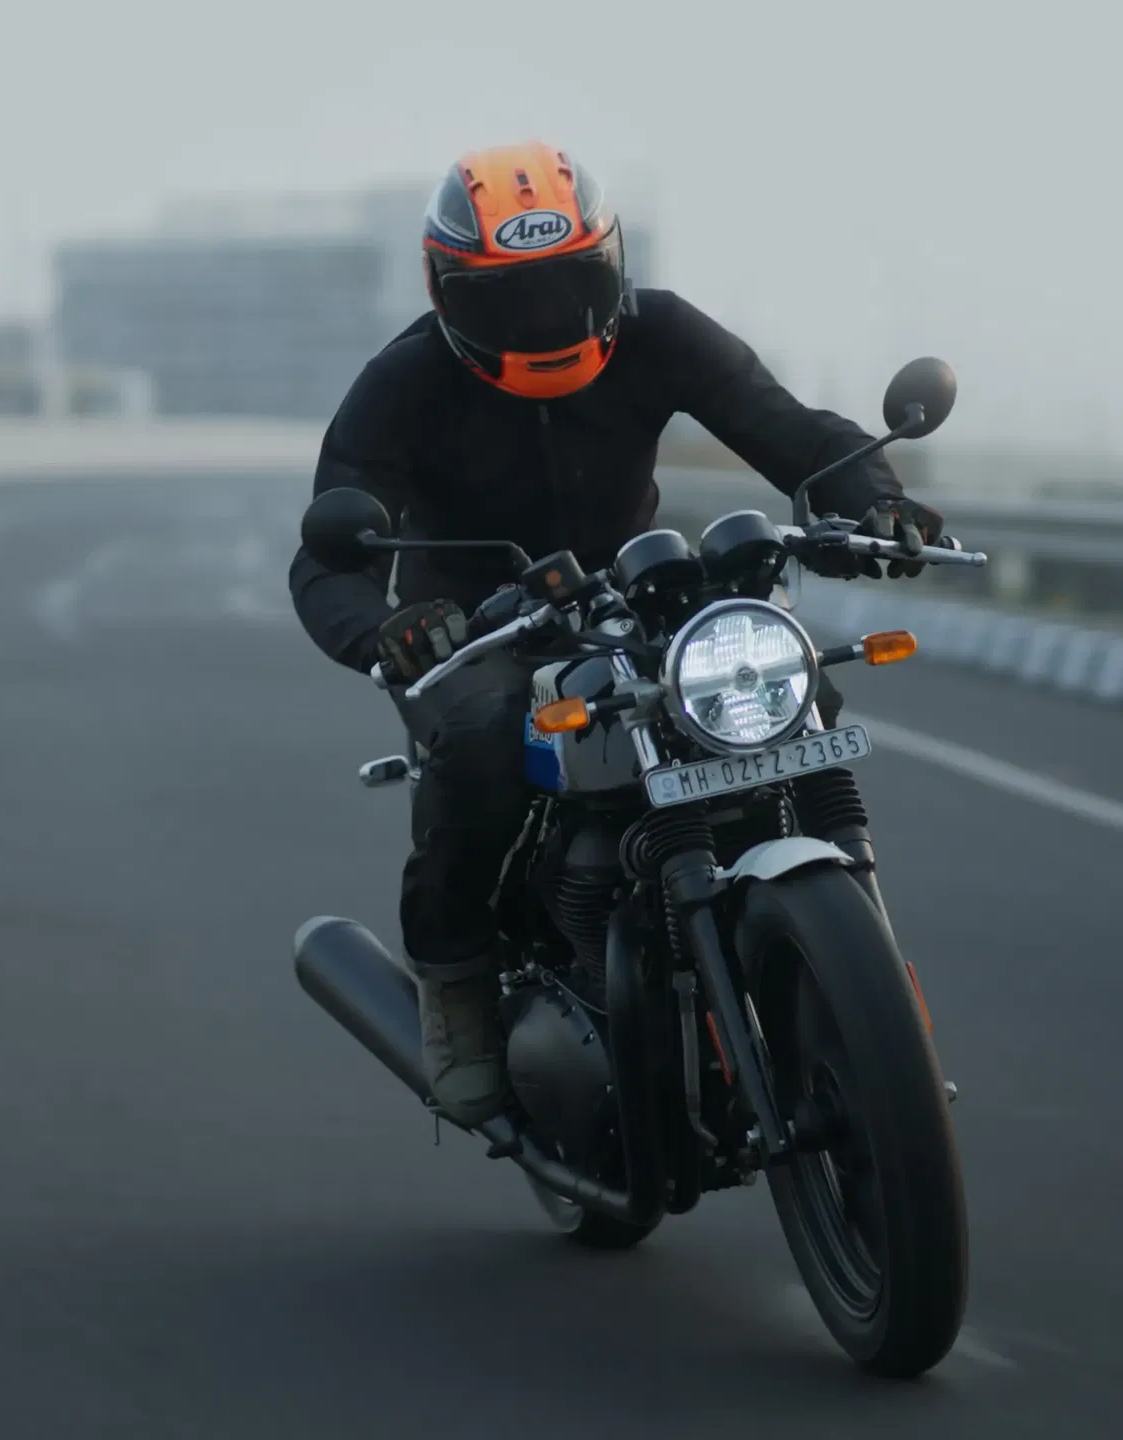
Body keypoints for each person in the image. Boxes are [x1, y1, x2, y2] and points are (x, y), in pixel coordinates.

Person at [287, 141, 946, 1126]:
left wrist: (874, 504)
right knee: (477, 740)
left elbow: (796, 434)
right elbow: (327, 555)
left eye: (568, 288)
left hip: (634, 597)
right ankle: (457, 986)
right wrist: (387, 629)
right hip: (467, 628)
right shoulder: (406, 381)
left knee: (789, 688)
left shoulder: (661, 332)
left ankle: (864, 997)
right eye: (507, 299)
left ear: (613, 265)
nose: (544, 321)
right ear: (445, 292)